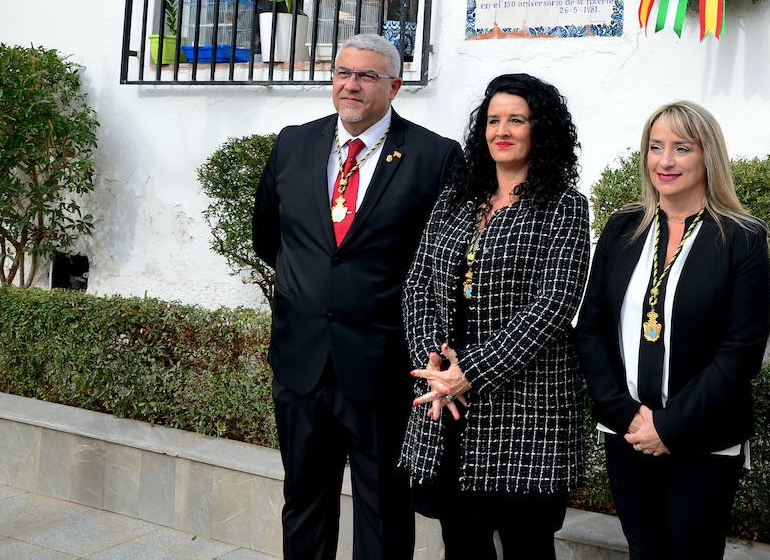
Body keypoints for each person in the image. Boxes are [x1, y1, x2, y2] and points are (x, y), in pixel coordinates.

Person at [252, 33, 462, 560]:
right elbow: (269, 238)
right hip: (301, 361)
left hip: (383, 365)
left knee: (384, 508)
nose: (351, 85)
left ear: (395, 86)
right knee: (304, 500)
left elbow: (442, 265)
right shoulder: (293, 144)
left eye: (367, 75)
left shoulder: (434, 156)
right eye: (342, 73)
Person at [400, 73, 590, 560]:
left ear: (540, 130)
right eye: (492, 120)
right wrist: (437, 368)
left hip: (526, 405)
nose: (501, 131)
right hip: (448, 403)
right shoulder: (454, 200)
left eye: (516, 120)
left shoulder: (564, 206)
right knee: (462, 542)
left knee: (527, 544)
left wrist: (471, 371)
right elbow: (418, 285)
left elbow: (554, 304)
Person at [575, 101, 770, 560]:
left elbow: (741, 350)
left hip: (703, 437)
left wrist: (668, 425)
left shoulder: (741, 237)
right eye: (655, 147)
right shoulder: (623, 228)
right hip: (627, 433)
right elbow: (590, 329)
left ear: (708, 156)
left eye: (682, 148)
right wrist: (626, 414)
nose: (665, 161)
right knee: (643, 551)